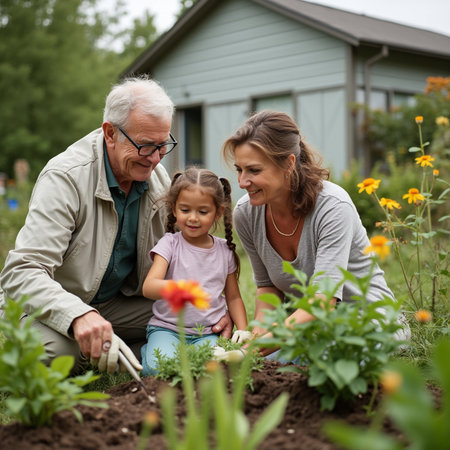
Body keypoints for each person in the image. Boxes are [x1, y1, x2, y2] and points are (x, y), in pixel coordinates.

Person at [0, 76, 232, 374]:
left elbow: (182, 257)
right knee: (59, 353)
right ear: (110, 133)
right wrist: (77, 315)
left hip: (114, 304)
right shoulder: (66, 177)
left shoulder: (157, 180)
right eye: (146, 146)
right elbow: (23, 271)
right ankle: (116, 352)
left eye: (164, 145)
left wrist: (213, 310)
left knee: (190, 317)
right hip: (47, 307)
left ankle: (125, 352)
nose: (155, 159)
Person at [221, 110, 406, 359]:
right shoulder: (246, 213)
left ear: (288, 163)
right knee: (269, 365)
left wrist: (253, 351)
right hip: (315, 326)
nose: (242, 182)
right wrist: (257, 341)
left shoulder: (332, 206)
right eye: (239, 170)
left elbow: (324, 300)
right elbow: (267, 289)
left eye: (253, 170)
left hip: (368, 321)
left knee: (317, 361)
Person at [140, 167, 249, 375]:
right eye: (185, 209)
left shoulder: (224, 251)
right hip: (167, 329)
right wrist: (179, 288)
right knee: (161, 370)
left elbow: (233, 298)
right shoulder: (169, 244)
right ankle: (149, 351)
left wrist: (243, 330)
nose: (193, 218)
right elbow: (149, 286)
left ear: (218, 212)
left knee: (207, 370)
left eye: (202, 211)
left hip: (206, 333)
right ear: (174, 209)